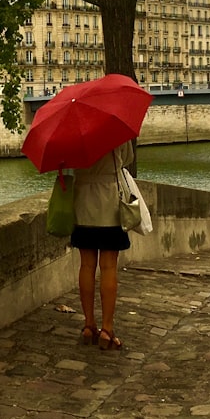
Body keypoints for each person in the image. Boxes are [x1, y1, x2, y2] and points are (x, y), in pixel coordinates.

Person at [71, 140, 134, 351]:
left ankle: (89, 325)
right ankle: (107, 329)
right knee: (108, 267)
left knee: (86, 266)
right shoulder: (114, 131)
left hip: (82, 202)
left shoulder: (73, 134)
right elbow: (127, 159)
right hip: (109, 202)